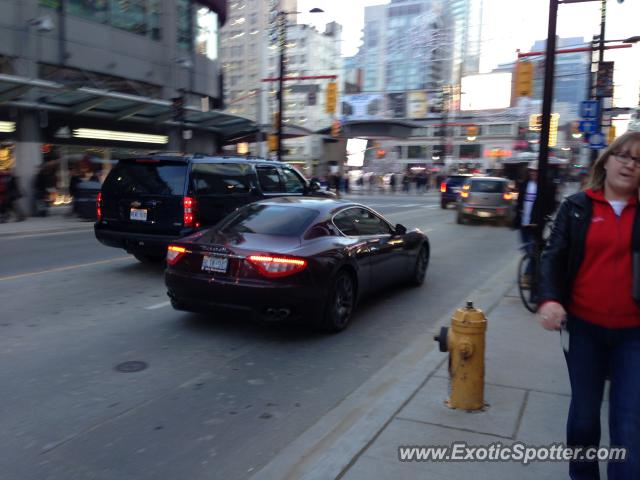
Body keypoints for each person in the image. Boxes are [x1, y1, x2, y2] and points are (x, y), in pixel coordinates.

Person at [538, 131, 640, 479]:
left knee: (629, 422)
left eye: (638, 160)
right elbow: (553, 256)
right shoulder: (578, 207)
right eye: (623, 155)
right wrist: (550, 299)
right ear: (607, 160)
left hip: (634, 335)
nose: (629, 164)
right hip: (583, 329)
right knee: (584, 414)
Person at [513, 161, 557, 287]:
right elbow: (519, 203)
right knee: (528, 250)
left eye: (536, 171)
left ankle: (527, 276)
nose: (533, 173)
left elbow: (551, 205)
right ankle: (533, 270)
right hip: (524, 223)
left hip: (536, 224)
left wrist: (542, 217)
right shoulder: (525, 184)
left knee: (533, 251)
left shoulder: (547, 186)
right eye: (531, 171)